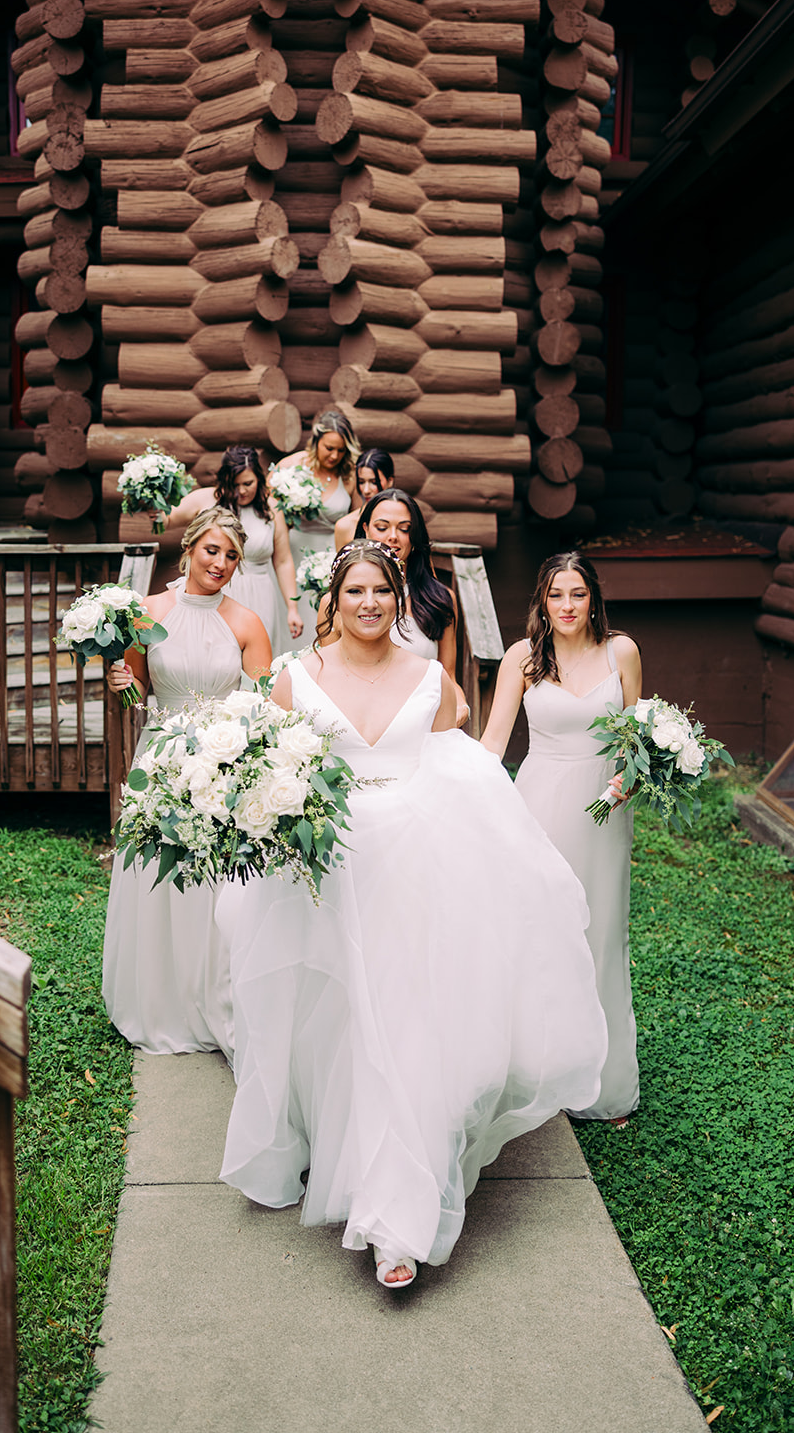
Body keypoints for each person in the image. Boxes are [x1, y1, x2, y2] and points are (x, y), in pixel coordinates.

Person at [218, 541, 607, 1289]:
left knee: (406, 1033)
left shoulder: (433, 681)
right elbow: (269, 778)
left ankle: (395, 1222)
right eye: (355, 589)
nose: (369, 602)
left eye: (381, 590)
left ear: (400, 599)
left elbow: (458, 774)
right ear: (333, 598)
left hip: (413, 880)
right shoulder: (294, 679)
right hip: (327, 874)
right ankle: (323, 1144)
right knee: (335, 1029)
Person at [102, 508, 272, 1059]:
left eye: (231, 556)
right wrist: (120, 680)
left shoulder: (246, 622)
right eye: (211, 551)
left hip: (222, 762)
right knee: (158, 877)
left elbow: (267, 704)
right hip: (161, 754)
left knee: (218, 884)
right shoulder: (148, 614)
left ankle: (215, 996)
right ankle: (159, 999)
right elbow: (134, 687)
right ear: (190, 548)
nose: (220, 563)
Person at [480, 551, 642, 1124]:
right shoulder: (523, 659)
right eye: (556, 595)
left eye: (577, 594)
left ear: (593, 597)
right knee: (540, 932)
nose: (567, 606)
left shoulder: (621, 651)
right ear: (541, 602)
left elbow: (634, 740)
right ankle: (536, 1072)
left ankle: (605, 1083)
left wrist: (630, 777)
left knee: (600, 934)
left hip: (604, 813)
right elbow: (493, 743)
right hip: (541, 803)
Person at [324, 487, 468, 725]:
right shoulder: (337, 602)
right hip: (359, 721)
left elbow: (448, 675)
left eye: (404, 529)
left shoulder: (440, 599)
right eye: (382, 527)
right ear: (365, 529)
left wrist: (461, 705)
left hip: (422, 722)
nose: (393, 537)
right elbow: (326, 677)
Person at [162, 445, 303, 654]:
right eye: (235, 485)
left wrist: (292, 608)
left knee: (259, 653)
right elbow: (167, 520)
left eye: (248, 483)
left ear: (259, 479)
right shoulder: (206, 499)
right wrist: (154, 498)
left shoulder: (272, 508)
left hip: (262, 593)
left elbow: (283, 561)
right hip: (217, 588)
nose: (242, 491)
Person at [273, 408, 360, 639]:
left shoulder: (350, 475)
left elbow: (358, 519)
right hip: (292, 555)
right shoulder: (291, 468)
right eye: (329, 448)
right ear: (316, 440)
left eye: (341, 450)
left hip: (333, 555)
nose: (334, 456)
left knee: (324, 621)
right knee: (293, 622)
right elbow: (269, 511)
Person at [333, 448, 395, 550]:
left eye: (374, 482)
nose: (366, 490)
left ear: (390, 481)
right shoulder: (345, 525)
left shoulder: (404, 521)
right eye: (361, 482)